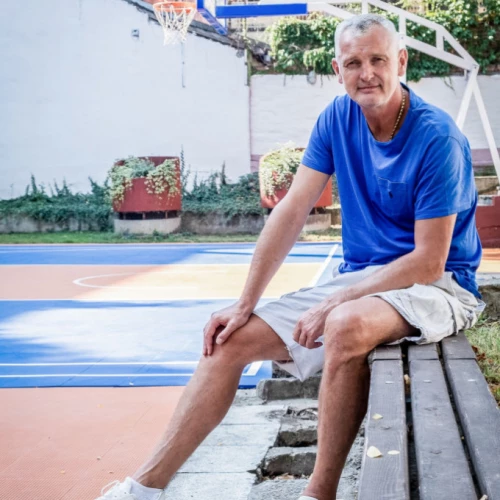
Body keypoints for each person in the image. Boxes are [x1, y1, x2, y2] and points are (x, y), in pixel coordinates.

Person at [96, 13, 483, 500]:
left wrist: (334, 301)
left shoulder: (437, 137)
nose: (366, 73)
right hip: (366, 280)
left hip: (440, 287)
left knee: (343, 322)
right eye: (353, 63)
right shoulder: (336, 119)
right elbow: (291, 210)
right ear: (338, 70)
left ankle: (317, 494)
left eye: (378, 60)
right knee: (227, 342)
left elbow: (428, 262)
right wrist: (245, 303)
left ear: (401, 62)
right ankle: (142, 490)